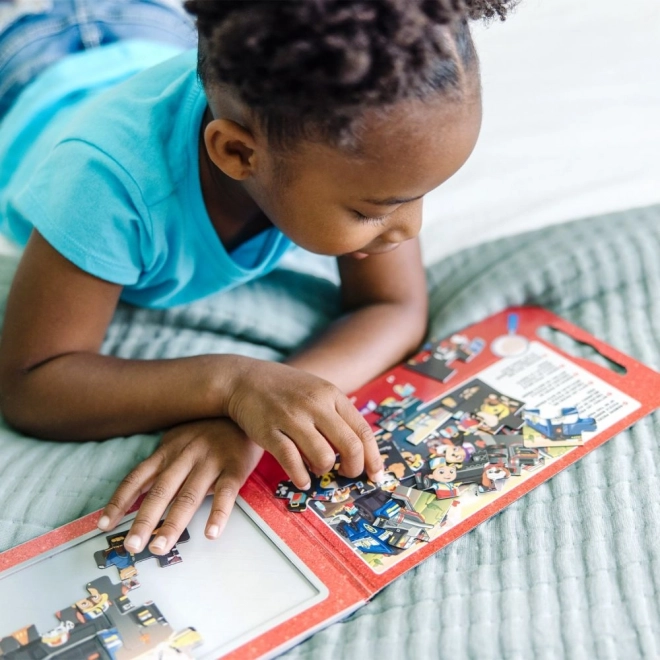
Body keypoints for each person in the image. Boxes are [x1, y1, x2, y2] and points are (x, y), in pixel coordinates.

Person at [0, 0, 514, 557]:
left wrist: (259, 416)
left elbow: (394, 308)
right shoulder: (102, 186)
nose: (409, 227)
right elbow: (32, 384)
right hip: (31, 63)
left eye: (422, 195)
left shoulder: (343, 133)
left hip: (155, 32)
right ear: (237, 153)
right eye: (371, 212)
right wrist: (232, 384)